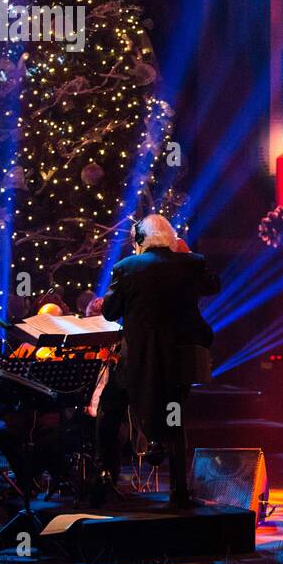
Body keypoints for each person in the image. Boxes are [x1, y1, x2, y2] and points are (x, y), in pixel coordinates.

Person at [101, 215, 220, 508]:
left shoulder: (126, 267)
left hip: (137, 361)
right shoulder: (191, 263)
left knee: (108, 410)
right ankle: (180, 491)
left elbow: (108, 311)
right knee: (175, 418)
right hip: (178, 360)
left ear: (140, 240)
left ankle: (105, 483)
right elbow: (213, 286)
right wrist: (188, 252)